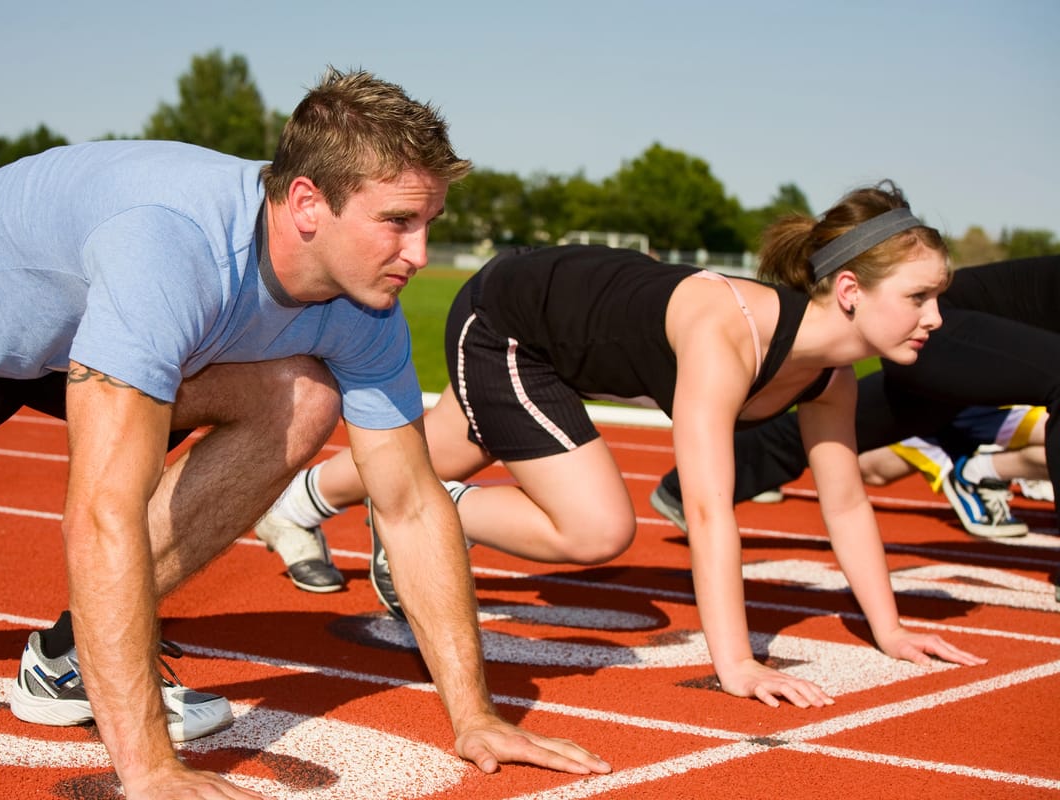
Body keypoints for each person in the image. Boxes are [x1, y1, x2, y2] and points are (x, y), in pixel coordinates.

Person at [0, 68, 610, 798]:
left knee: (303, 396)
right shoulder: (171, 248)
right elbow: (100, 514)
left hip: (84, 338)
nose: (418, 254)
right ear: (308, 204)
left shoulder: (362, 305)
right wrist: (150, 771)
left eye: (428, 223)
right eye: (397, 222)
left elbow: (412, 505)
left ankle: (71, 658)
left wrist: (475, 715)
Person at [254, 181, 986, 710]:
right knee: (598, 527)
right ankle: (423, 513)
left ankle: (299, 503)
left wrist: (888, 630)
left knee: (419, 457)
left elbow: (848, 502)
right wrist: (736, 663)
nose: (937, 318)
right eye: (920, 297)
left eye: (940, 298)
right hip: (512, 322)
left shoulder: (829, 380)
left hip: (565, 344)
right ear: (851, 290)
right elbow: (706, 510)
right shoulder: (730, 332)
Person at [649, 254, 1060, 547]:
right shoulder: (934, 314)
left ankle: (682, 490)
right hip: (938, 326)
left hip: (961, 339)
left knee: (841, 428)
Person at [857, 404, 1050, 537]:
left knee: (874, 470)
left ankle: (987, 461)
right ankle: (979, 470)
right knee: (871, 470)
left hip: (982, 395)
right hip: (991, 397)